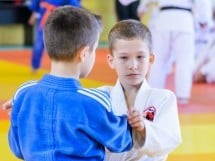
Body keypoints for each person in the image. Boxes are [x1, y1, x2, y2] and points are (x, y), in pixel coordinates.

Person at [7, 6, 135, 161]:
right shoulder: (94, 101)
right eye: (94, 50)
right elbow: (122, 141)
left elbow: (17, 148)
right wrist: (132, 120)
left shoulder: (23, 94)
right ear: (84, 53)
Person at [99, 19, 182, 161]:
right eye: (124, 57)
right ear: (111, 60)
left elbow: (170, 139)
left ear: (151, 58)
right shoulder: (101, 97)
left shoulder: (163, 98)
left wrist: (144, 129)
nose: (133, 65)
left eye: (140, 57)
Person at [137, 0, 212, 104]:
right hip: (184, 21)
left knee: (159, 60)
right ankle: (182, 96)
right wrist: (205, 19)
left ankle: (153, 93)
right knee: (184, 60)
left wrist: (142, 7)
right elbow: (202, 2)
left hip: (163, 19)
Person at [28, 0, 81, 72]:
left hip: (59, 17)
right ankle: (35, 65)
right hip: (48, 16)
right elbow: (36, 3)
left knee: (59, 42)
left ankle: (62, 65)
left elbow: (74, 4)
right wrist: (34, 14)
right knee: (40, 43)